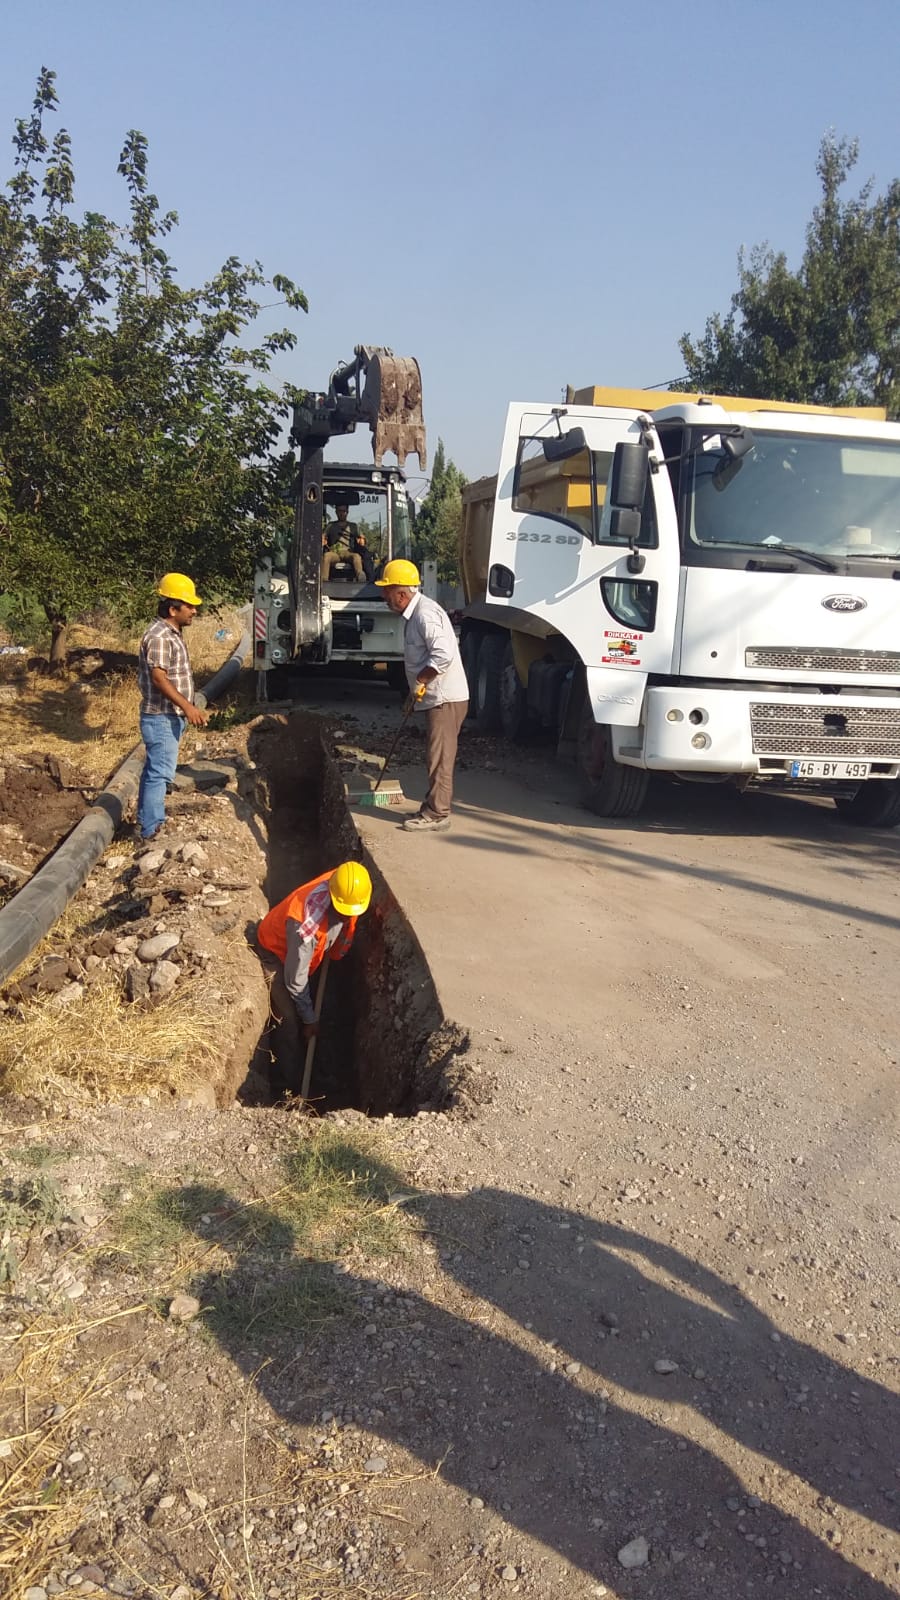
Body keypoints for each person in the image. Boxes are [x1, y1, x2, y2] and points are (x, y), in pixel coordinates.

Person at [255, 862, 373, 1091]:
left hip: (305, 958)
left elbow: (348, 916)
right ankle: (290, 1083)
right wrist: (309, 1020)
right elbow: (295, 981)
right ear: (332, 895)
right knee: (289, 1020)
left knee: (319, 1004)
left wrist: (338, 949)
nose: (349, 914)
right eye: (344, 911)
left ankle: (322, 1057)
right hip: (277, 955)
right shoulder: (304, 927)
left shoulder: (348, 884)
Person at [375, 559, 469, 833]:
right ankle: (432, 806)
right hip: (436, 696)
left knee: (439, 756)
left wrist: (421, 680)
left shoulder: (425, 614)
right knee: (434, 755)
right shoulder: (416, 614)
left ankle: (437, 814)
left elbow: (443, 654)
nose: (384, 597)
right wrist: (412, 694)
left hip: (445, 698)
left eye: (387, 591)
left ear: (402, 594)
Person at [136, 573, 209, 842]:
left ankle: (146, 822)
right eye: (189, 606)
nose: (194, 610)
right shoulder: (159, 637)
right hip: (162, 716)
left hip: (168, 716)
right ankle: (152, 829)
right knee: (160, 773)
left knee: (154, 770)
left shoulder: (170, 633)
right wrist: (188, 707)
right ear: (172, 608)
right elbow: (159, 677)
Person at [322, 502, 364, 582]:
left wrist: (361, 540)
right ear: (336, 512)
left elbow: (362, 537)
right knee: (326, 556)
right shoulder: (331, 525)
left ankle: (361, 577)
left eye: (344, 511)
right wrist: (323, 540)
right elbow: (323, 536)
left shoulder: (353, 526)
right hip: (335, 552)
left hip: (348, 552)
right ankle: (324, 581)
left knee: (356, 557)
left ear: (347, 512)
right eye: (339, 511)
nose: (342, 513)